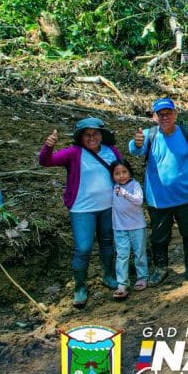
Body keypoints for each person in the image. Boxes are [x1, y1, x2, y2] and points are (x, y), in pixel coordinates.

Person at [38, 117, 122, 308]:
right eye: (87, 135)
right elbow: (46, 161)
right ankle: (80, 287)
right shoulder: (74, 153)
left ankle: (108, 275)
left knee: (107, 243)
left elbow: (121, 173)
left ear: (102, 135)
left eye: (95, 134)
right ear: (80, 137)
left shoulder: (112, 152)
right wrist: (48, 146)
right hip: (82, 209)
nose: (92, 138)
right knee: (83, 249)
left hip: (109, 207)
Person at [129, 98, 188, 286]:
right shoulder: (149, 136)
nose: (165, 117)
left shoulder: (187, 134)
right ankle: (160, 268)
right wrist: (136, 143)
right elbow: (135, 150)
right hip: (158, 199)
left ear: (175, 114)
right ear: (154, 117)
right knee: (159, 236)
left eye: (168, 113)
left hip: (185, 196)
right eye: (160, 114)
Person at [110, 160, 148, 300]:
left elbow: (138, 201)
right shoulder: (113, 187)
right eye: (117, 173)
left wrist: (125, 193)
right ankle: (122, 285)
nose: (121, 176)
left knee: (139, 252)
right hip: (119, 227)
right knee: (122, 255)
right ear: (112, 175)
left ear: (130, 172)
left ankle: (142, 277)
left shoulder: (135, 185)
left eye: (124, 172)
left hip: (137, 225)